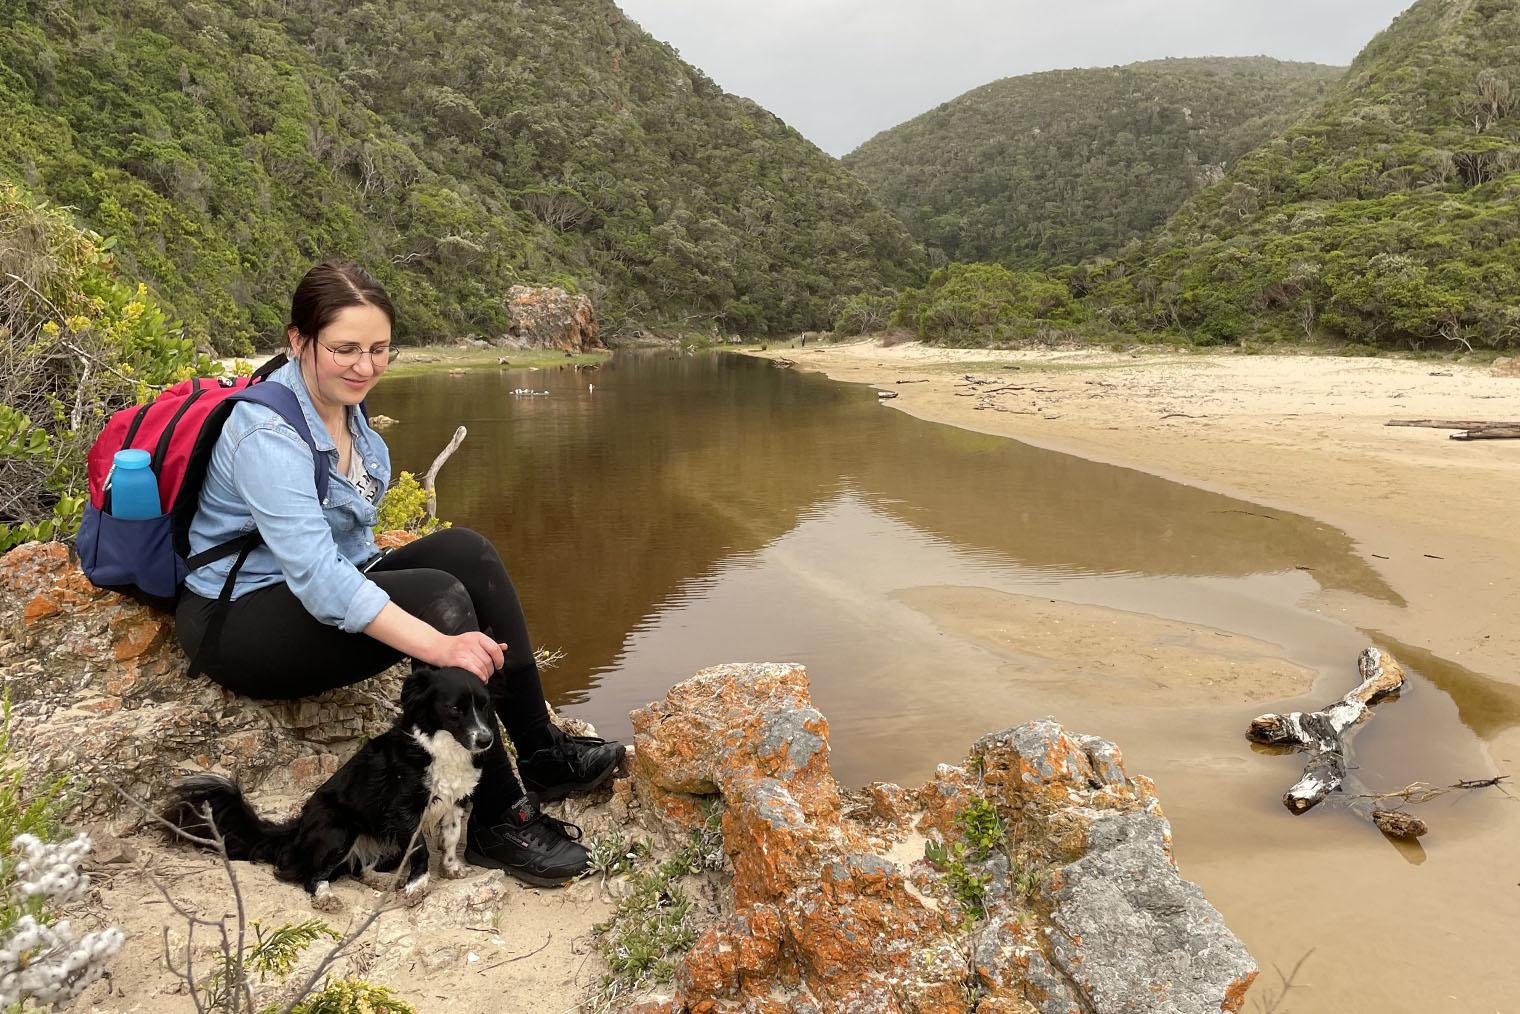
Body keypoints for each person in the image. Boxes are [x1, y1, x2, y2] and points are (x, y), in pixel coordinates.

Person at [174, 260, 622, 886]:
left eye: (379, 349)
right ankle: (494, 816)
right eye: (345, 349)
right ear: (299, 341)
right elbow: (321, 579)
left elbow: (352, 551)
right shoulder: (265, 432)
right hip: (239, 623)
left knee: (466, 550)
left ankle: (540, 748)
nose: (365, 366)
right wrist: (440, 642)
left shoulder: (345, 413)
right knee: (441, 599)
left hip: (300, 597)